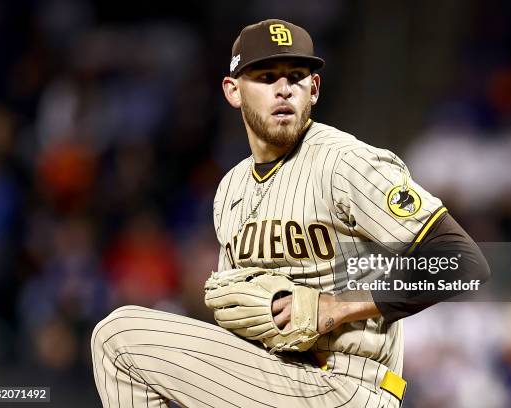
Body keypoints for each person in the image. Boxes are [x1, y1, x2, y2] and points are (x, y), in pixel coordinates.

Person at [91, 19, 489, 407]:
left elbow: (464, 262)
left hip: (345, 386)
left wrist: (338, 306)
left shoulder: (345, 163)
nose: (283, 89)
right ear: (233, 91)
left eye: (295, 77)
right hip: (272, 379)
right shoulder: (230, 190)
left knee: (118, 337)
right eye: (266, 78)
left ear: (313, 89)